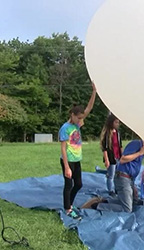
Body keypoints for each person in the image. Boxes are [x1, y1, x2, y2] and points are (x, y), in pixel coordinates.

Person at [82, 139, 144, 213]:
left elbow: (133, 166)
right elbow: (123, 159)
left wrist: (133, 185)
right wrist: (140, 153)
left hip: (129, 179)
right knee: (127, 209)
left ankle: (106, 201)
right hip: (123, 177)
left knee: (134, 202)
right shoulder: (136, 144)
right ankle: (97, 205)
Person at [59, 82, 97, 219]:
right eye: (79, 118)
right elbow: (63, 148)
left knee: (79, 184)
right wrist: (67, 167)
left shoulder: (77, 123)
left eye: (81, 118)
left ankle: (70, 204)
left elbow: (89, 108)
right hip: (68, 160)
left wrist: (94, 92)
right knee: (68, 185)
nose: (81, 121)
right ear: (72, 115)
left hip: (77, 159)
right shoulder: (65, 128)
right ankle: (67, 208)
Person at [100, 113, 123, 196]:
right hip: (111, 157)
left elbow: (120, 145)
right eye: (116, 122)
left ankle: (117, 188)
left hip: (118, 156)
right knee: (111, 175)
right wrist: (106, 160)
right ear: (111, 122)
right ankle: (110, 190)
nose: (118, 124)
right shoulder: (107, 133)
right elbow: (104, 148)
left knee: (118, 174)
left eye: (118, 122)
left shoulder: (118, 133)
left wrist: (122, 156)